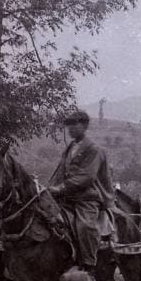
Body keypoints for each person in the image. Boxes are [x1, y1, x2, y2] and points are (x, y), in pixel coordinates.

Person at [48, 110, 115, 271]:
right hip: (66, 196)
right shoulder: (70, 147)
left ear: (84, 126)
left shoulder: (94, 149)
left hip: (87, 197)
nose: (70, 129)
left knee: (85, 226)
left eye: (74, 125)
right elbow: (61, 172)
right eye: (69, 125)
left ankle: (89, 264)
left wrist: (61, 188)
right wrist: (50, 188)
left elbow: (87, 177)